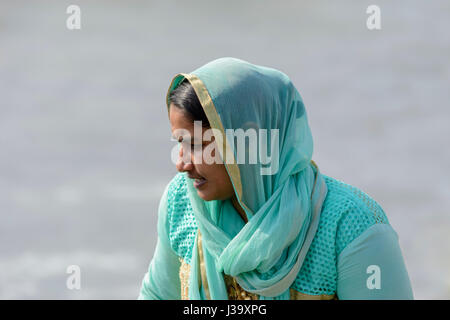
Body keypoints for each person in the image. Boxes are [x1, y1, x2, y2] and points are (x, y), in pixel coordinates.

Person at [138, 57, 413, 300]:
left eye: (196, 145)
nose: (181, 164)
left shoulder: (348, 226)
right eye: (179, 144)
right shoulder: (181, 203)